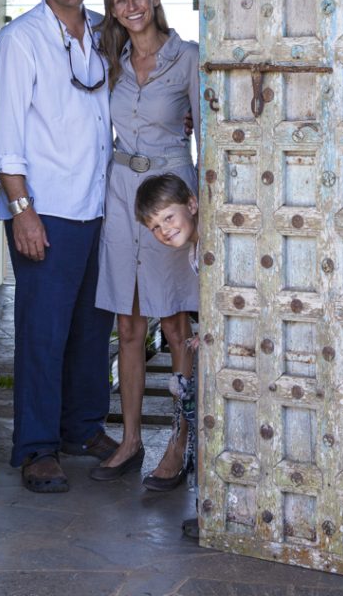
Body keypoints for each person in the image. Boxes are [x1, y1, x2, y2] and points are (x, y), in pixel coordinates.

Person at [0, 0, 118, 494]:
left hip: (99, 204)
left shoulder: (102, 33)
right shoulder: (21, 39)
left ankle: (82, 427)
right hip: (47, 208)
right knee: (42, 331)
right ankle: (37, 446)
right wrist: (22, 210)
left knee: (93, 328)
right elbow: (5, 136)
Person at [90, 0, 199, 488]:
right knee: (128, 326)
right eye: (118, 0)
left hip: (169, 195)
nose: (130, 6)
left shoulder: (188, 58)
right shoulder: (111, 59)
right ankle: (131, 441)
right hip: (119, 194)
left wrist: (204, 205)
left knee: (176, 324)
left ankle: (180, 442)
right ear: (111, 10)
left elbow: (211, 133)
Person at [134, 173, 200, 539]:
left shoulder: (210, 240)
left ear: (192, 203)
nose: (163, 230)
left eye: (168, 218)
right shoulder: (192, 251)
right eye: (155, 226)